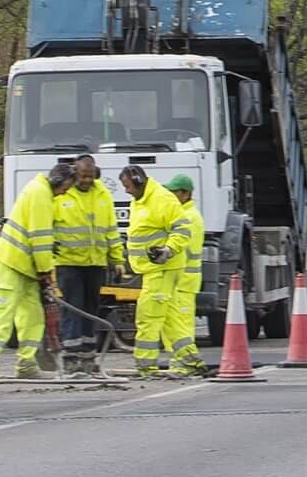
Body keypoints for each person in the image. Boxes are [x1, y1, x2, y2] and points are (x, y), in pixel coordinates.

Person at [0, 163, 76, 379]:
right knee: (3, 314)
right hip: (11, 263)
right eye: (66, 187)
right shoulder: (40, 194)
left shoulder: (41, 191)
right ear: (59, 181)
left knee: (32, 317)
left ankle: (27, 363)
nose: (65, 192)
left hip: (26, 267)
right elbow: (39, 240)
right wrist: (46, 272)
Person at [119, 165, 195, 378]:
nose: (126, 191)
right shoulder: (140, 200)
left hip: (162, 268)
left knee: (148, 316)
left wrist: (167, 250)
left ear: (139, 181)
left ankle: (145, 365)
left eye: (128, 186)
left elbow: (182, 230)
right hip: (153, 269)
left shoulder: (162, 199)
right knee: (170, 318)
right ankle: (190, 359)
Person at [53, 156, 123, 375]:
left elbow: (111, 229)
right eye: (83, 176)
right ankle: (71, 358)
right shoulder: (62, 195)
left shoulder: (102, 194)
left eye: (90, 177)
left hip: (95, 264)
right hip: (68, 263)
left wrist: (117, 259)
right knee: (72, 309)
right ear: (75, 173)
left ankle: (88, 356)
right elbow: (47, 225)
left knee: (91, 310)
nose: (86, 180)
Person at [165, 174, 209, 376]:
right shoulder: (186, 214)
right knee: (179, 324)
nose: (169, 196)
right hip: (182, 280)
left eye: (173, 192)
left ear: (185, 194)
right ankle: (181, 361)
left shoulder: (188, 218)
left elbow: (180, 249)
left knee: (182, 326)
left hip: (184, 280)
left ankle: (185, 363)